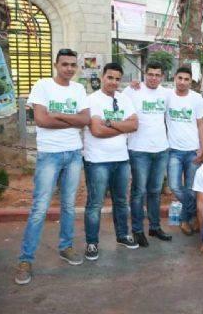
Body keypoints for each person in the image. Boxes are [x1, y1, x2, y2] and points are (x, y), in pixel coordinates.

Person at [15, 48, 90, 285]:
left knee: (68, 205)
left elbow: (85, 120)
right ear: (56, 65)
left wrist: (58, 115)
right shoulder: (42, 85)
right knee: (40, 207)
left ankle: (65, 247)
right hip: (50, 155)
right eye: (65, 64)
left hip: (74, 154)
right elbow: (41, 120)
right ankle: (26, 259)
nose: (69, 68)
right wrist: (71, 120)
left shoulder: (78, 89)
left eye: (73, 65)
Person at [83, 62, 139, 261]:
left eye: (117, 79)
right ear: (102, 77)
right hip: (97, 160)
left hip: (121, 159)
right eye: (110, 77)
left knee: (121, 201)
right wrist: (121, 127)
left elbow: (134, 125)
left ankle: (123, 235)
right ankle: (92, 243)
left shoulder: (124, 99)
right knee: (95, 203)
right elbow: (96, 131)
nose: (113, 82)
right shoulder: (92, 100)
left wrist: (110, 122)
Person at [123, 62, 172, 247]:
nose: (153, 78)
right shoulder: (132, 91)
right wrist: (131, 84)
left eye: (157, 75)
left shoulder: (166, 93)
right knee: (138, 192)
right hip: (139, 150)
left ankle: (154, 227)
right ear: (144, 74)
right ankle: (137, 230)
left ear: (162, 76)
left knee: (155, 192)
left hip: (161, 149)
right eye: (150, 74)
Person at [166, 66, 203, 236]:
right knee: (175, 186)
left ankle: (184, 219)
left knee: (191, 189)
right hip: (173, 151)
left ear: (191, 81)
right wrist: (135, 85)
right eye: (180, 78)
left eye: (186, 79)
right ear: (174, 78)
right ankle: (194, 213)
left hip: (192, 151)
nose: (182, 82)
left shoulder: (196, 98)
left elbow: (201, 124)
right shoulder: (167, 96)